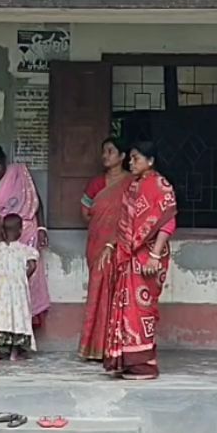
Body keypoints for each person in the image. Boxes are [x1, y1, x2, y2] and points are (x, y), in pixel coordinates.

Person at [98, 141, 177, 381]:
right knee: (126, 308)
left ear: (150, 161)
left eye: (136, 158)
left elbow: (168, 222)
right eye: (131, 158)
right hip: (128, 257)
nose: (131, 163)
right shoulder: (132, 187)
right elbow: (125, 224)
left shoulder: (161, 186)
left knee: (141, 310)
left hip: (149, 256)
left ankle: (144, 365)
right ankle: (126, 361)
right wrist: (111, 246)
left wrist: (154, 256)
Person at [0, 143, 50, 355]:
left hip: (28, 235)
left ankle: (19, 342)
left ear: (4, 160)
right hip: (6, 237)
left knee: (26, 289)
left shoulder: (19, 174)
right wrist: (3, 247)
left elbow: (36, 203)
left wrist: (41, 228)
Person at [78, 137, 132, 361]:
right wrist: (103, 226)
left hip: (122, 246)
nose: (105, 156)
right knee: (97, 291)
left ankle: (117, 346)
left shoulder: (132, 182)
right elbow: (85, 211)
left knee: (120, 292)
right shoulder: (97, 183)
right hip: (98, 244)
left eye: (110, 151)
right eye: (104, 152)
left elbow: (136, 214)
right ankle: (94, 347)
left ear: (122, 156)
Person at [0, 214, 40, 361]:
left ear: (3, 230)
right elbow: (32, 265)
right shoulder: (25, 250)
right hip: (18, 292)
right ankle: (14, 354)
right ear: (20, 230)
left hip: (1, 292)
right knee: (17, 317)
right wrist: (23, 278)